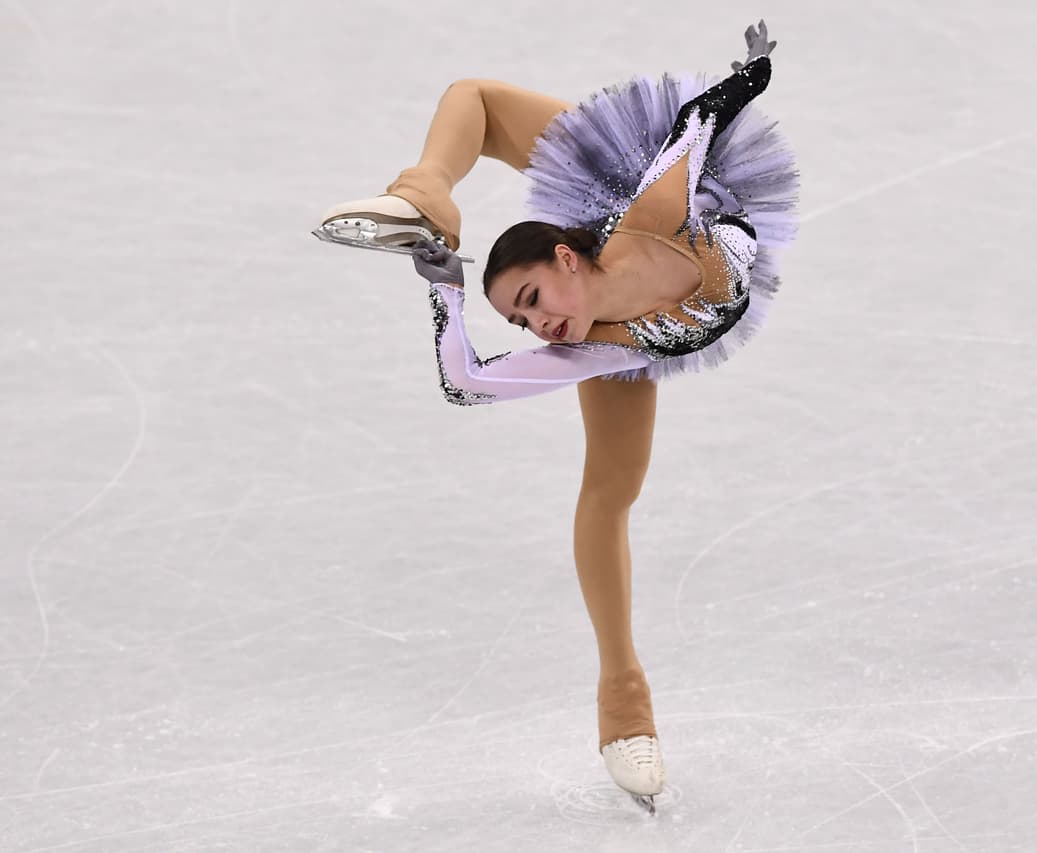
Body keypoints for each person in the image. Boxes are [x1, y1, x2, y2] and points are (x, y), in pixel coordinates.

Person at [314, 21, 796, 812]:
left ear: (563, 261)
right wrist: (444, 287)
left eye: (532, 302)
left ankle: (449, 207)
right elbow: (468, 383)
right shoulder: (592, 347)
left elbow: (697, 125)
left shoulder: (655, 202)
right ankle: (424, 198)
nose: (538, 329)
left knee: (486, 99)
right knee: (609, 490)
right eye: (522, 322)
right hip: (623, 307)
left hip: (631, 194)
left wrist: (753, 72)